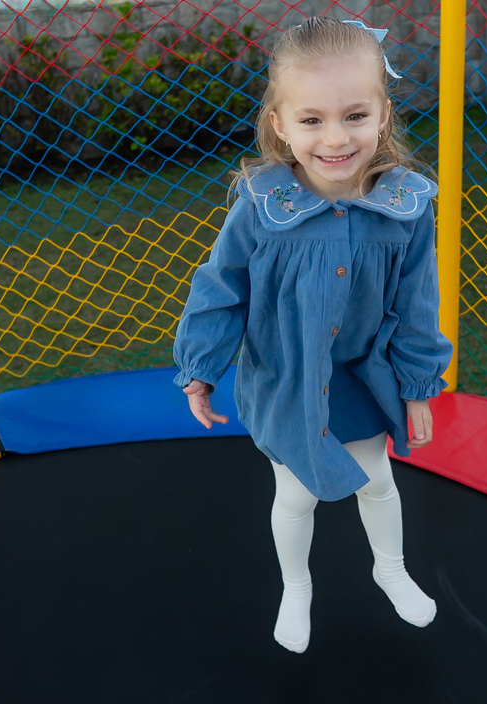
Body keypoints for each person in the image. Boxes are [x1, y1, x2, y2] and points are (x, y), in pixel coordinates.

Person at [171, 16, 453, 654]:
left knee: (378, 479)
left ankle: (391, 568)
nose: (335, 138)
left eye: (355, 115)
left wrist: (416, 389)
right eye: (312, 120)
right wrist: (201, 366)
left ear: (383, 116)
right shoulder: (262, 205)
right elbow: (222, 287)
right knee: (296, 493)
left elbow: (417, 302)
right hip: (288, 377)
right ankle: (295, 585)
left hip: (360, 375)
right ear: (280, 124)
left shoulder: (405, 205)